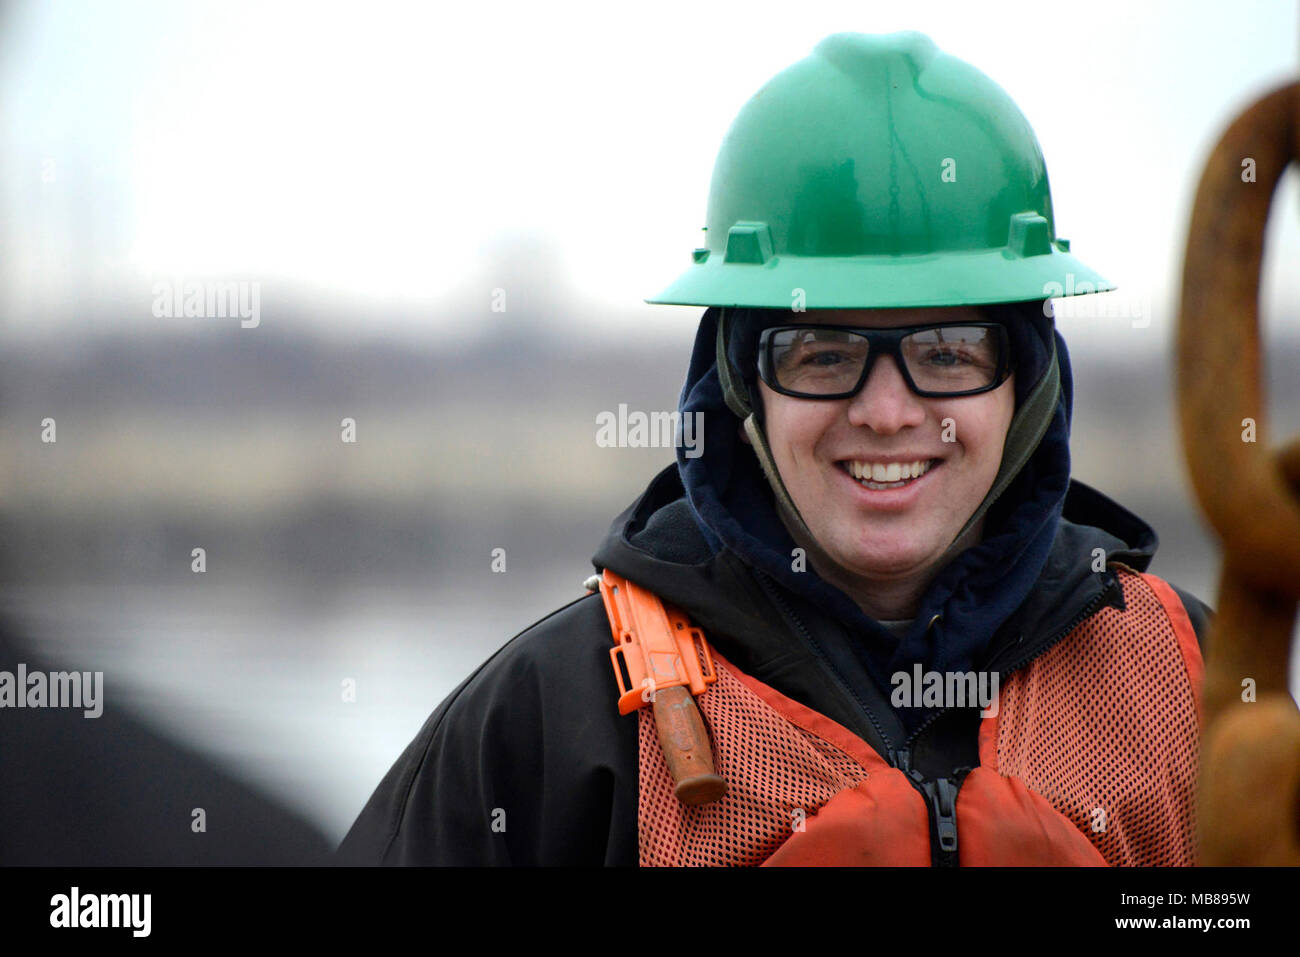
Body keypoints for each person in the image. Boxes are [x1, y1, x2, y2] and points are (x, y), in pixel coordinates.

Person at [337, 31, 1210, 866]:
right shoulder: (549, 725)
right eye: (820, 355)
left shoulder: (1188, 680)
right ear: (740, 385)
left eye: (947, 351)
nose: (885, 410)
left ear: (1027, 382)